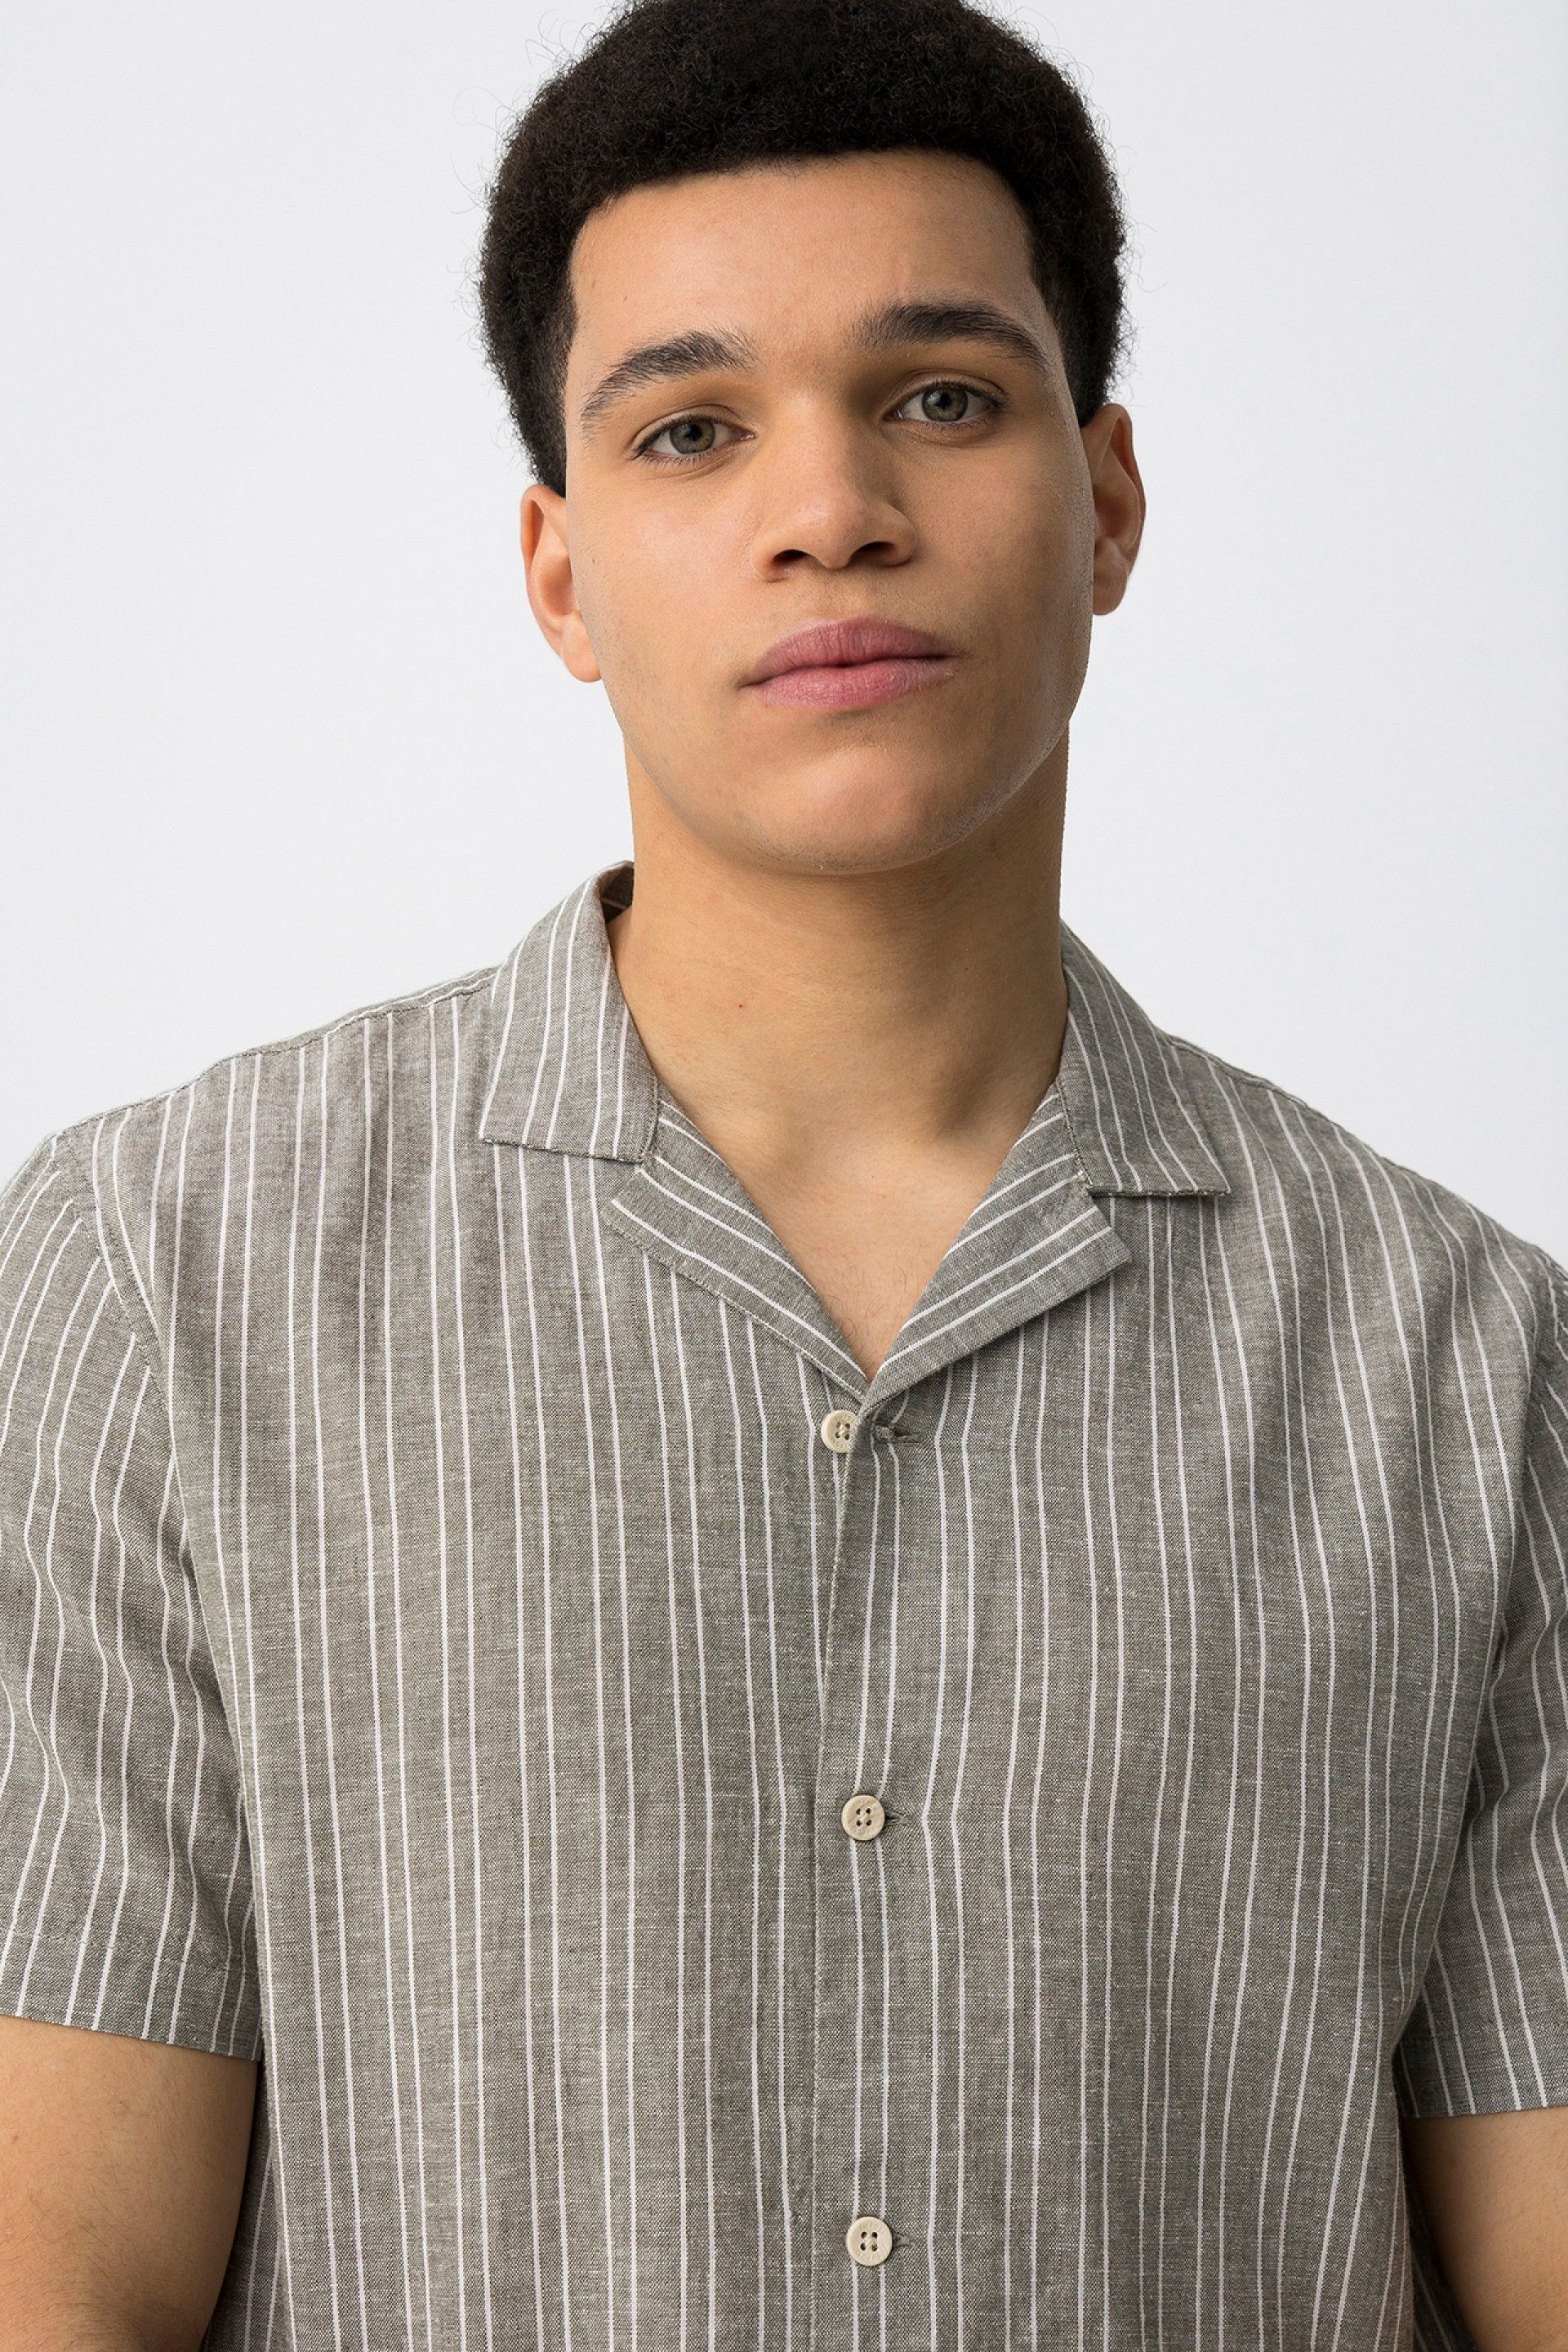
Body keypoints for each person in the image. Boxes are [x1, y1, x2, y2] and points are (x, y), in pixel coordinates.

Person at [1, 0, 1564, 2343]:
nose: (830, 507)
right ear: (561, 575)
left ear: (1109, 500)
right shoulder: (167, 1274)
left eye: (940, 397)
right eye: (693, 427)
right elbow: (60, 2281)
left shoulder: (1467, 1365)